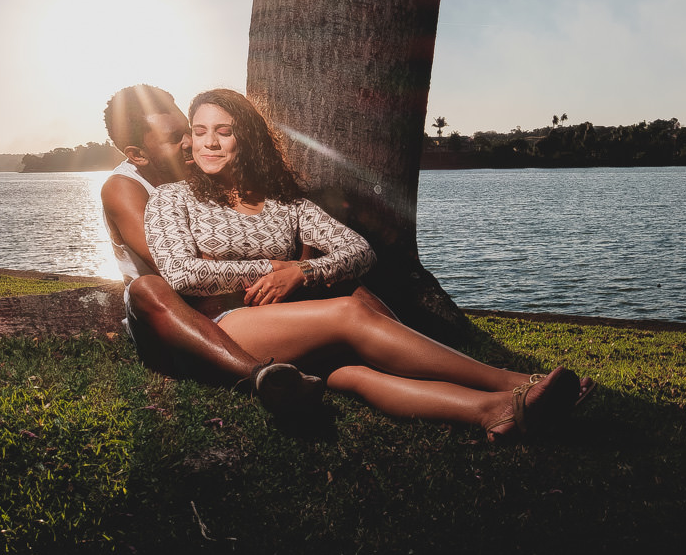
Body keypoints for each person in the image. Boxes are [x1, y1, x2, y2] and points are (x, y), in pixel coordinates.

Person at [143, 88, 593, 440]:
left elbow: (359, 251)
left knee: (357, 375)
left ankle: (491, 412)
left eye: (222, 130)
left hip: (294, 322)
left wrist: (303, 271)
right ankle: (516, 381)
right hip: (225, 325)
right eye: (200, 131)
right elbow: (181, 273)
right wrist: (270, 268)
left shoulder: (286, 204)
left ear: (248, 136)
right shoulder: (170, 198)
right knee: (350, 311)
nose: (208, 142)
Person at [101, 84, 339, 406]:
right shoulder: (124, 188)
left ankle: (378, 339)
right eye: (174, 140)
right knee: (148, 287)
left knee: (332, 270)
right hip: (177, 314)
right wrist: (273, 262)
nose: (190, 143)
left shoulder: (204, 170)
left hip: (237, 298)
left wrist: (294, 261)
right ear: (138, 155)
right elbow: (174, 267)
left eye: (188, 131)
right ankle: (260, 377)